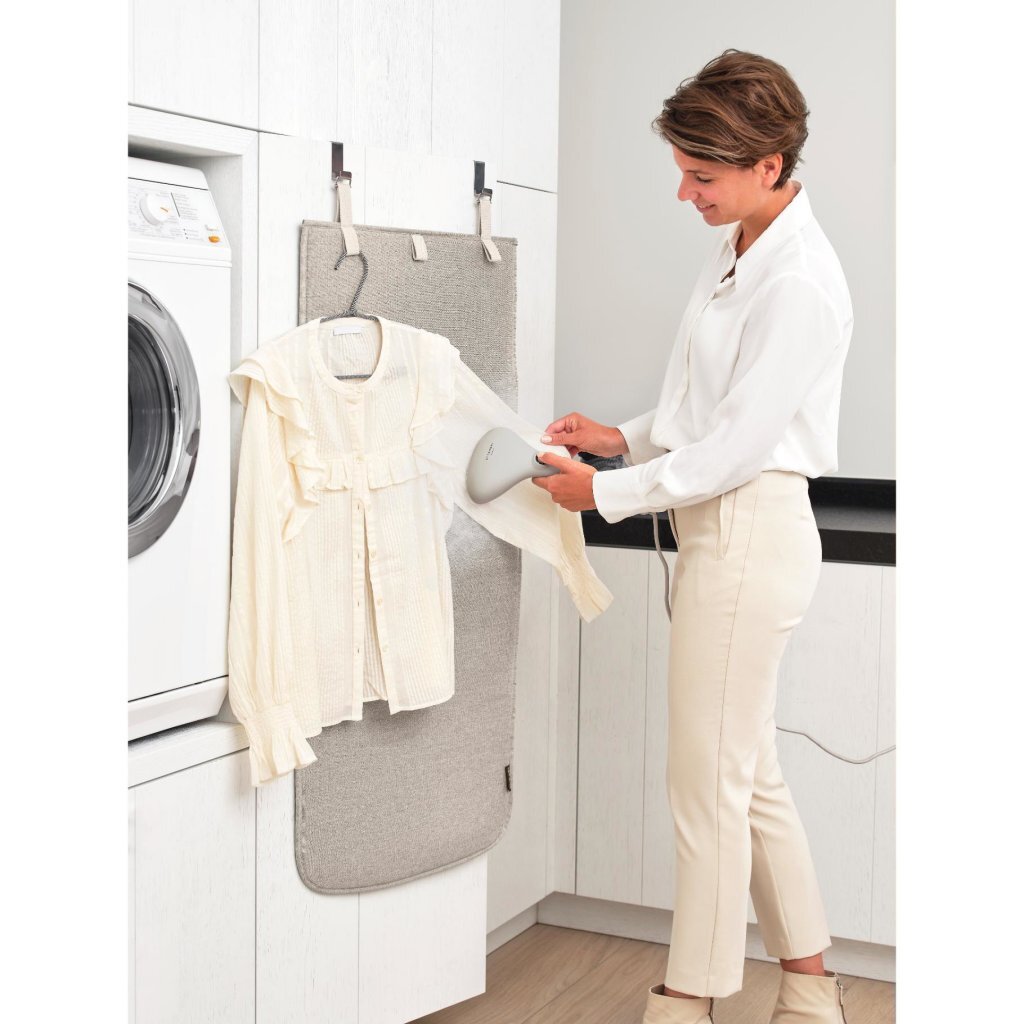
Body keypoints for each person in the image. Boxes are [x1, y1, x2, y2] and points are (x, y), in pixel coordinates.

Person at [531, 50, 854, 1024]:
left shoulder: (798, 280)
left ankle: (690, 995)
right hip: (725, 529)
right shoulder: (740, 245)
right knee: (745, 774)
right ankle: (810, 989)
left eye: (701, 175)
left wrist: (604, 491)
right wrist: (620, 438)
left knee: (705, 784)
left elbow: (737, 451)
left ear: (768, 165)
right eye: (683, 172)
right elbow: (707, 410)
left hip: (749, 530)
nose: (685, 193)